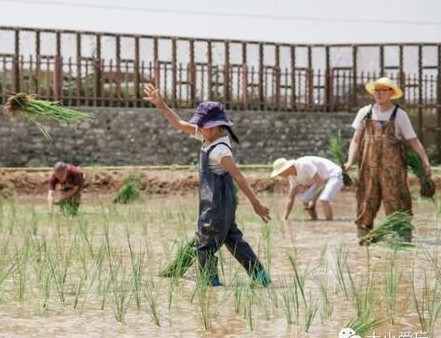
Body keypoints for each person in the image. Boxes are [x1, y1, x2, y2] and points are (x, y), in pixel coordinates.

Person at [143, 83, 271, 286]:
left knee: (204, 247)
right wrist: (161, 105)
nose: (199, 128)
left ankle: (211, 286)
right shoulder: (210, 137)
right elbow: (179, 124)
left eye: (203, 125)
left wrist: (256, 204)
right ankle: (261, 278)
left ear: (215, 125)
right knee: (233, 239)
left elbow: (238, 176)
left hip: (215, 207)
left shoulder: (220, 150)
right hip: (224, 205)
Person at [343, 77, 432, 241]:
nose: (379, 93)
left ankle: (402, 237)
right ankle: (365, 237)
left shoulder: (400, 115)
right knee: (366, 200)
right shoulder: (365, 112)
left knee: (396, 200)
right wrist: (349, 161)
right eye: (376, 90)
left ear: (391, 93)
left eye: (383, 90)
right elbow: (356, 140)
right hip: (368, 168)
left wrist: (425, 162)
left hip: (393, 171)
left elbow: (413, 141)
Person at [270, 156, 344, 221]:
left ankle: (329, 224)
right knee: (305, 200)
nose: (279, 175)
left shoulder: (303, 164)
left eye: (279, 173)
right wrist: (284, 218)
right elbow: (290, 198)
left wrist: (313, 200)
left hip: (333, 175)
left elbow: (320, 182)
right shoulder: (293, 178)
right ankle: (315, 220)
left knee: (324, 199)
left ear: (286, 168)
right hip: (322, 180)